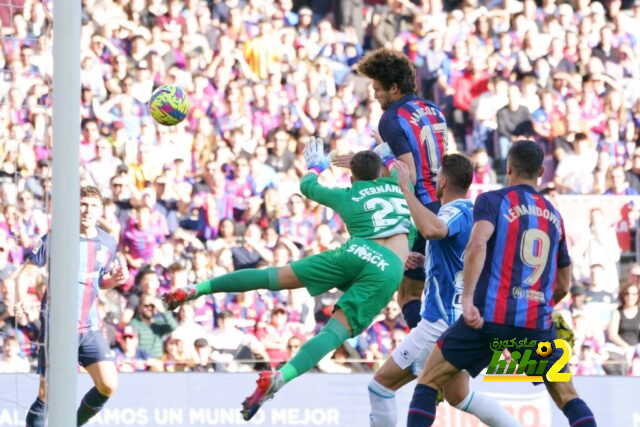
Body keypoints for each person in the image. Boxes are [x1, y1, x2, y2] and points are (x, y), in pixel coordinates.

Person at [162, 139, 411, 420]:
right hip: (387, 268)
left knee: (270, 276)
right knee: (331, 334)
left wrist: (317, 166)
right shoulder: (400, 186)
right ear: (381, 172)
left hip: (355, 251)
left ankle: (197, 288)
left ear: (353, 177)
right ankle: (281, 377)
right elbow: (395, 166)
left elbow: (307, 187)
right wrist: (380, 159)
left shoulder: (349, 194)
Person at [406, 141, 596, 427]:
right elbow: (563, 283)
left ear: (508, 167)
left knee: (429, 381)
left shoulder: (492, 201)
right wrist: (538, 308)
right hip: (535, 325)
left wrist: (468, 300)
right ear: (542, 172)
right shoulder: (554, 216)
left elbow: (477, 244)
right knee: (567, 395)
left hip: (487, 320)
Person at [369, 154, 519, 427]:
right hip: (464, 322)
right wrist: (429, 261)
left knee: (380, 386)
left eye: (437, 180)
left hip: (440, 322)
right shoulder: (477, 217)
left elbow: (432, 229)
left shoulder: (456, 211)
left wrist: (405, 187)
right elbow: (465, 260)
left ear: (444, 183)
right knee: (458, 395)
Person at [14, 186, 129, 427]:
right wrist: (20, 299)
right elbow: (25, 274)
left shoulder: (107, 243)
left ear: (101, 210)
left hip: (90, 328)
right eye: (83, 204)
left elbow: (97, 281)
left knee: (108, 384)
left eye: (93, 205)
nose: (87, 210)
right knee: (48, 394)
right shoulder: (57, 237)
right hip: (58, 328)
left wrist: (113, 280)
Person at [352, 47, 448, 332]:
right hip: (444, 207)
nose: (374, 95)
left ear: (394, 88)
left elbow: (409, 175)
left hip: (418, 213)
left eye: (378, 88)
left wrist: (376, 160)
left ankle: (430, 354)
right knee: (440, 290)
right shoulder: (434, 109)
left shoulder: (392, 118)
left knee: (407, 294)